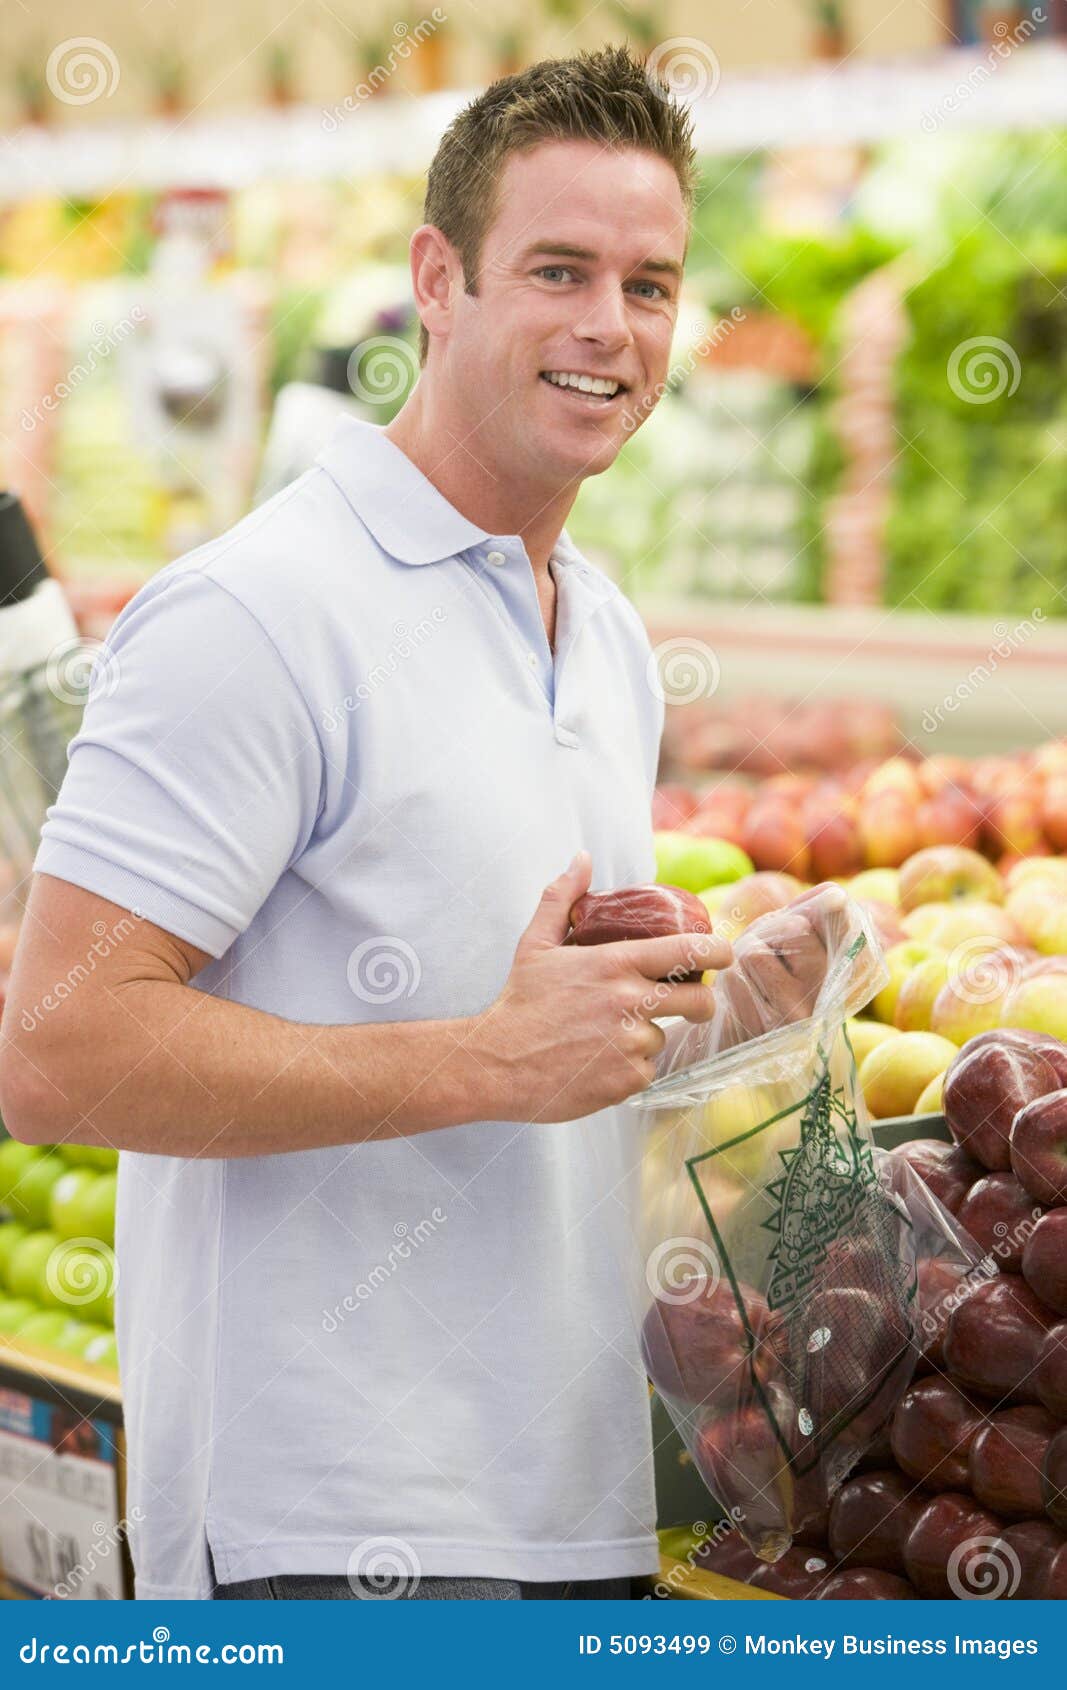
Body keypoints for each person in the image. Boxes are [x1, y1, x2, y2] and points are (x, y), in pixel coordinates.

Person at [0, 46, 729, 1601]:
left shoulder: (597, 628)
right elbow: (53, 1051)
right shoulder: (256, 614)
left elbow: (531, 1008)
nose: (611, 325)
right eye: (559, 269)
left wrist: (717, 1000)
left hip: (579, 1500)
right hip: (333, 1533)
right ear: (437, 284)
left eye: (651, 283)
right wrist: (484, 1058)